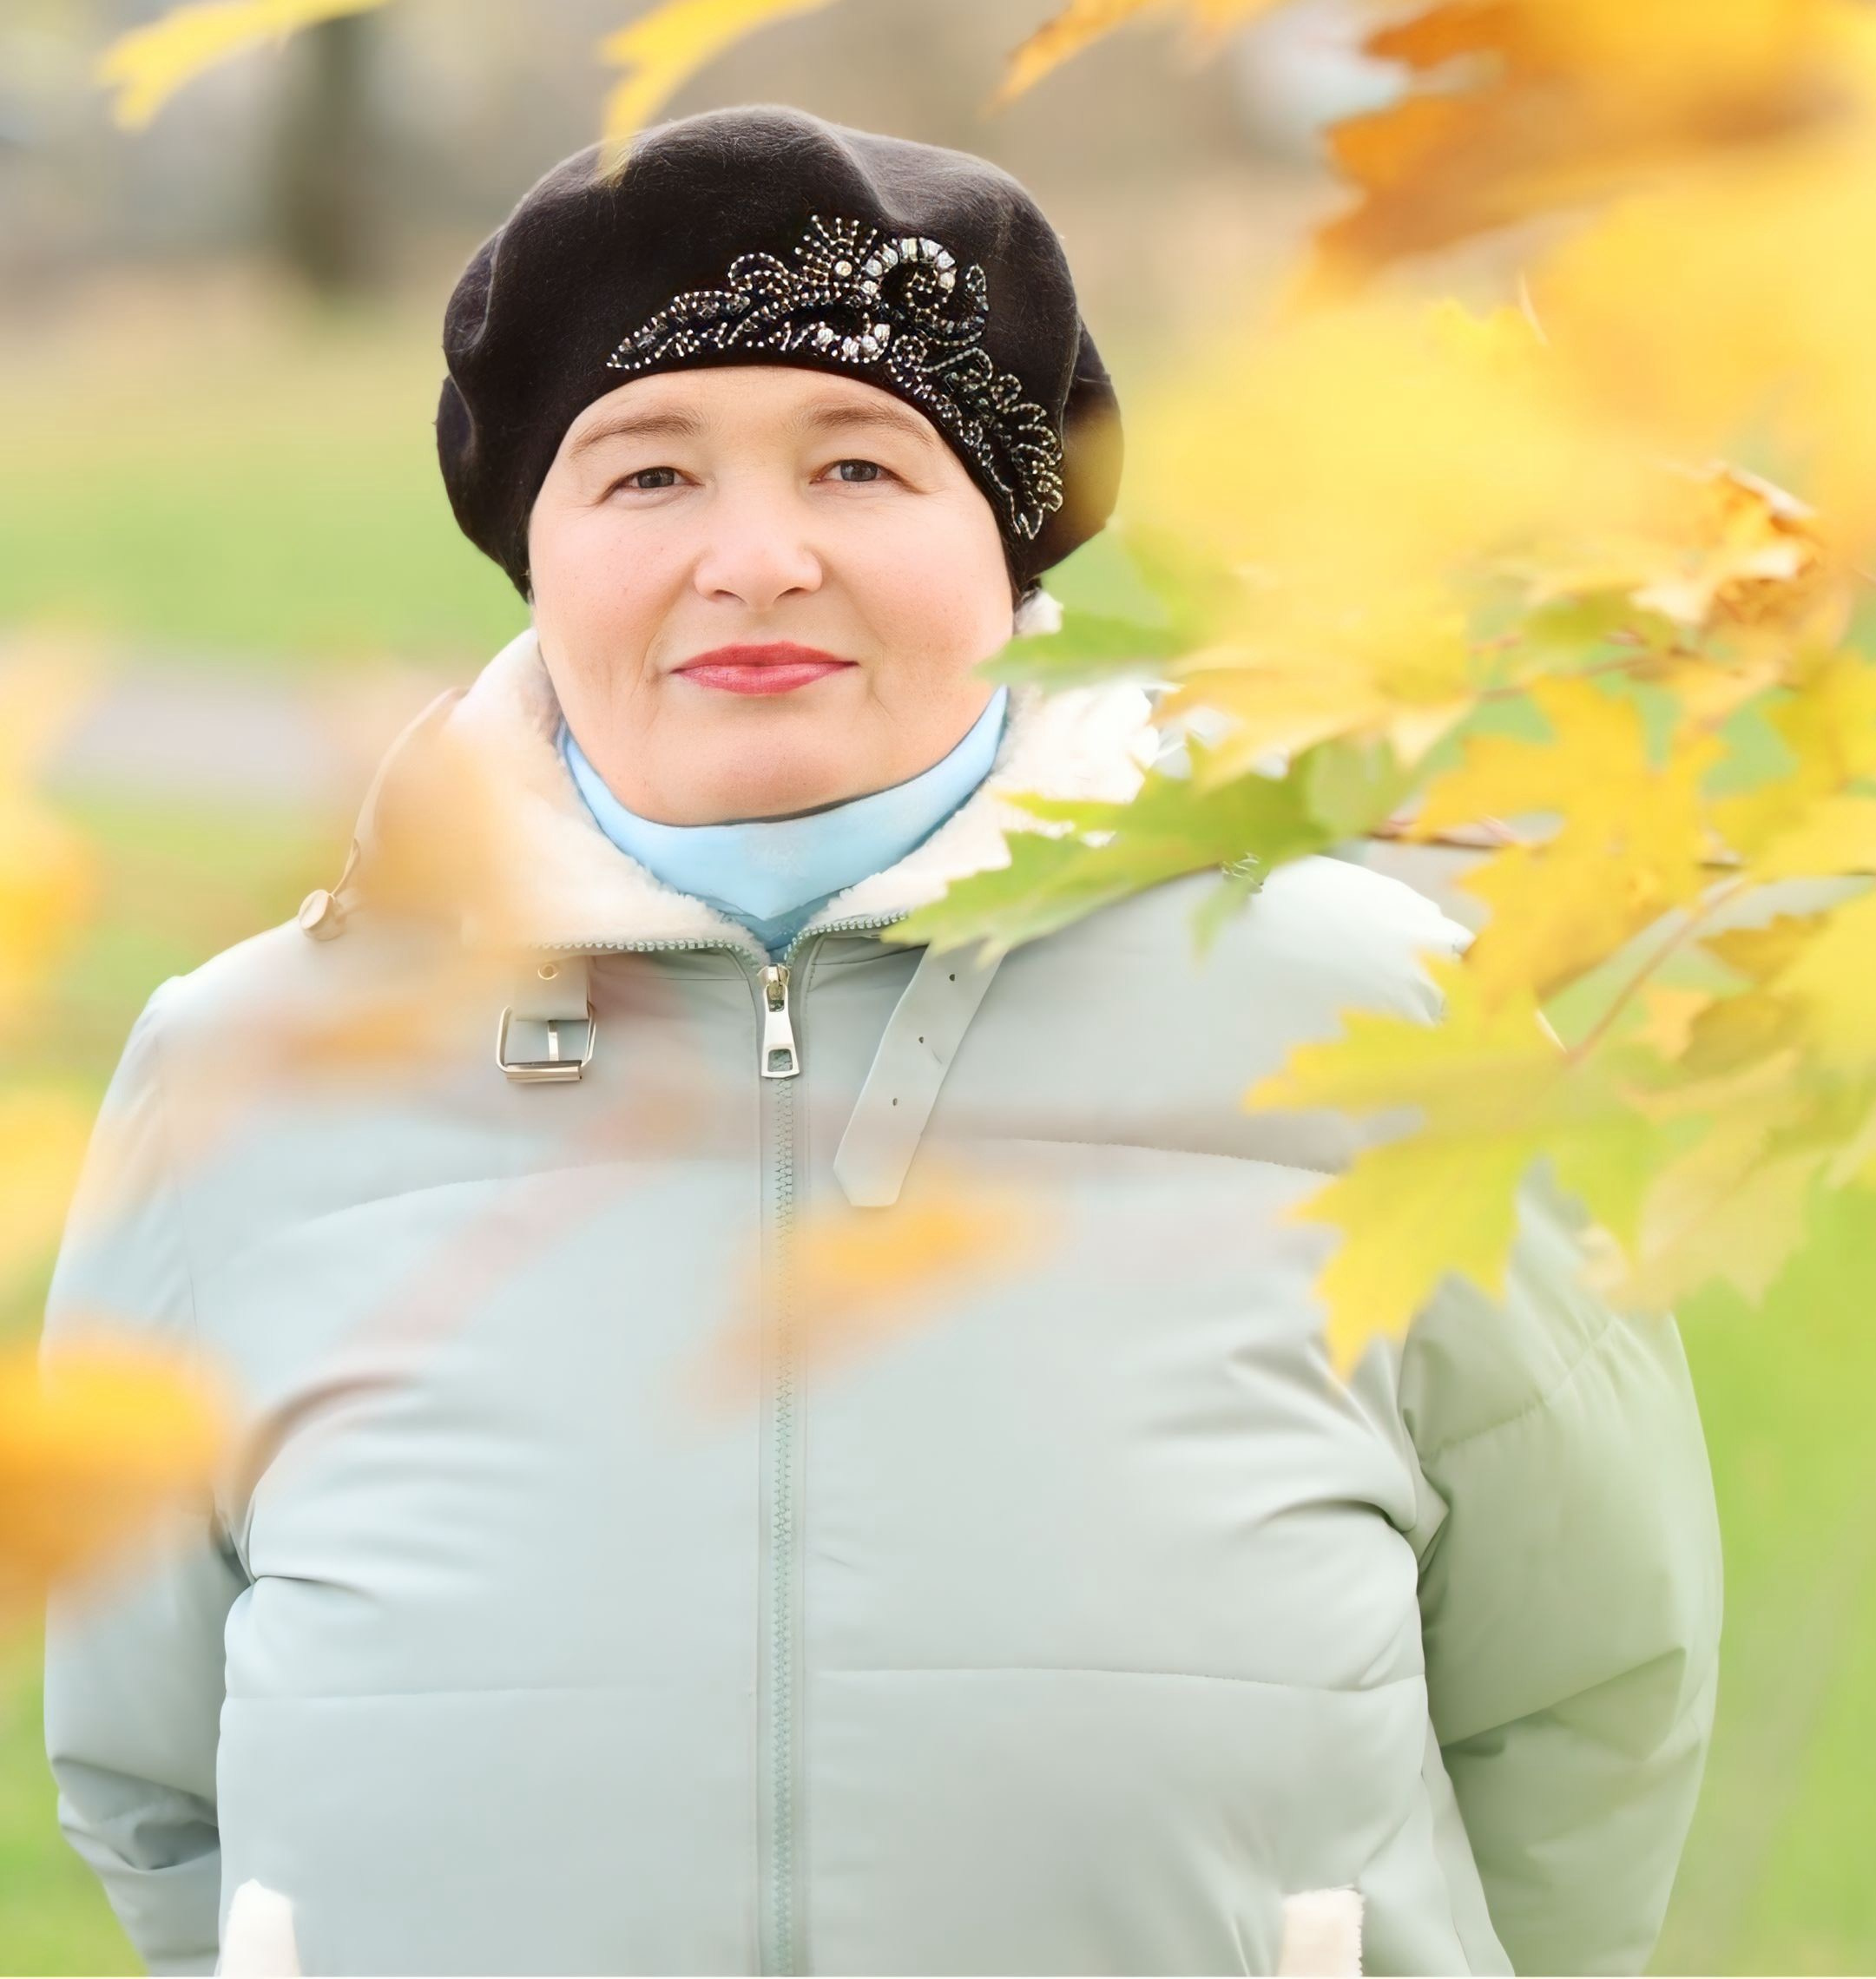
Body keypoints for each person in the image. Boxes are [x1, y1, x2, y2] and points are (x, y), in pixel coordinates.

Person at [44, 107, 1720, 1979]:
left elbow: (1588, 1700)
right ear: (534, 541)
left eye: (857, 463)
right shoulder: (249, 1068)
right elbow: (148, 1774)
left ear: (1009, 542)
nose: (756, 559)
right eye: (647, 474)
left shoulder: (1377, 1018)